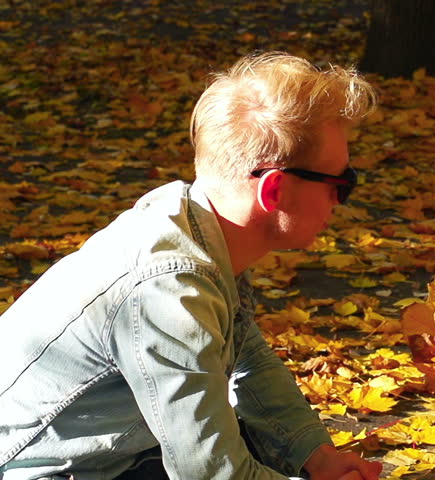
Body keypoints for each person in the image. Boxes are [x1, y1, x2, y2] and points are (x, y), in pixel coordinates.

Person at [0, 51, 382, 480]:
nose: (341, 201)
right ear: (273, 191)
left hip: (116, 453)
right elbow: (209, 473)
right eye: (341, 184)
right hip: (39, 469)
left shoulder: (203, 225)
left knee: (259, 443)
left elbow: (248, 360)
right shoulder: (171, 289)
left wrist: (316, 456)